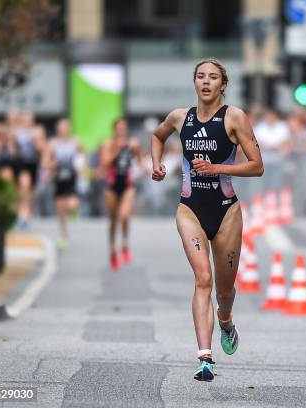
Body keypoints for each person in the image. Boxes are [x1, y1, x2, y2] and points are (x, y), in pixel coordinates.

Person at [151, 58, 263, 381]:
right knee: (203, 278)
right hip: (190, 209)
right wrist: (156, 165)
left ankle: (225, 320)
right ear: (195, 82)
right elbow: (157, 136)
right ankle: (205, 358)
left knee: (224, 292)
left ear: (222, 85)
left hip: (226, 211)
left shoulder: (234, 118)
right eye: (201, 76)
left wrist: (218, 168)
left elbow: (257, 166)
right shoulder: (178, 117)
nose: (206, 82)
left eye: (213, 77)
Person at [101, 118, 144, 271]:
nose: (121, 131)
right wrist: (117, 150)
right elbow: (104, 163)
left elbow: (141, 162)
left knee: (124, 215)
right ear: (114, 130)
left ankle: (125, 244)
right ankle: (113, 249)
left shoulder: (131, 143)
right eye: (118, 128)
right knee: (113, 220)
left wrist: (137, 150)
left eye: (123, 128)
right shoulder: (109, 144)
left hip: (127, 184)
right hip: (112, 185)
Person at [44, 118, 83, 249]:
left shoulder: (76, 142)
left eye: (66, 128)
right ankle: (64, 234)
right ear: (58, 130)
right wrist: (51, 165)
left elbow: (83, 156)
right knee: (60, 207)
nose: (64, 131)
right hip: (58, 178)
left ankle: (73, 211)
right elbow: (45, 161)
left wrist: (81, 167)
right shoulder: (53, 143)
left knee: (72, 205)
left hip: (72, 178)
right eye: (62, 128)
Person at [10, 111, 45, 228]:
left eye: (29, 119)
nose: (27, 122)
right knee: (24, 184)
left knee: (30, 190)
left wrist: (35, 141)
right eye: (25, 119)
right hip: (20, 162)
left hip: (33, 162)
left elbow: (42, 148)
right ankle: (21, 212)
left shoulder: (38, 131)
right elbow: (12, 149)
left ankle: (26, 213)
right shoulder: (16, 130)